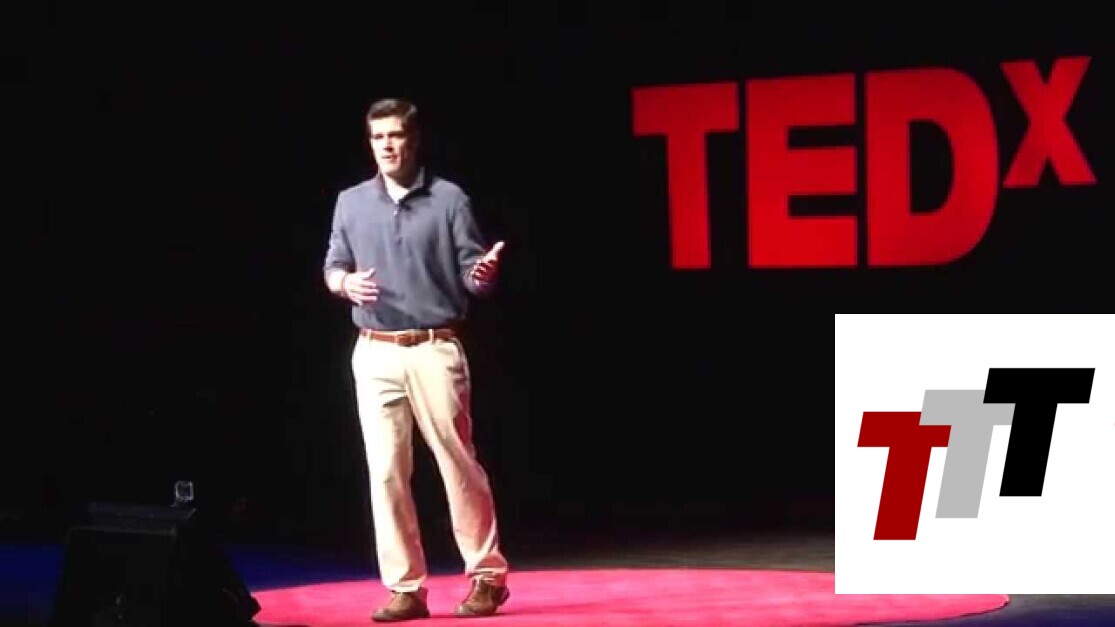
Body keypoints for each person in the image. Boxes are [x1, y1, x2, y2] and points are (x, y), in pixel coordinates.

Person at [322, 97, 511, 622]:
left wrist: (484, 273)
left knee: (457, 462)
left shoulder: (449, 199)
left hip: (434, 347)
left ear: (413, 140)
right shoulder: (350, 203)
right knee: (385, 471)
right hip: (374, 351)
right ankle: (405, 587)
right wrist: (344, 283)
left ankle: (487, 575)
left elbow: (474, 277)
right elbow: (333, 266)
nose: (386, 145)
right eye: (377, 137)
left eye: (395, 135)